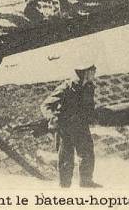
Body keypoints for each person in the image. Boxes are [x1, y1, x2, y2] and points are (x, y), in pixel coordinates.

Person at [41, 56, 101, 188]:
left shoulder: (89, 87)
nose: (95, 72)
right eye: (93, 70)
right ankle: (65, 187)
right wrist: (53, 119)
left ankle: (86, 182)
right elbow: (45, 105)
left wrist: (92, 116)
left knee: (87, 154)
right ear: (86, 72)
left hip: (81, 126)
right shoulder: (67, 87)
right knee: (66, 160)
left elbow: (88, 107)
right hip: (65, 129)